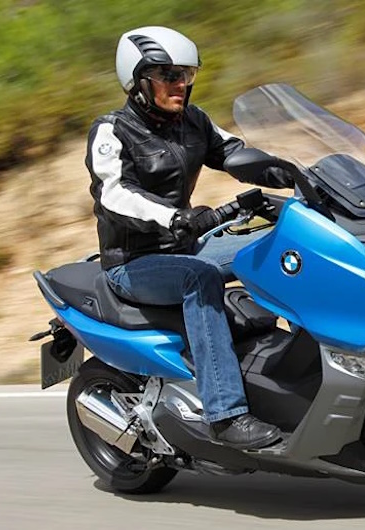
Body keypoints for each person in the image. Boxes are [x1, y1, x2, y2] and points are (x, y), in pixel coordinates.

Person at [85, 26, 293, 449]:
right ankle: (226, 414)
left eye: (186, 74)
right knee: (200, 278)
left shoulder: (193, 121)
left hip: (187, 244)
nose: (181, 84)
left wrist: (294, 174)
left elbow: (236, 153)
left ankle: (300, 370)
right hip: (133, 262)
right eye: (168, 75)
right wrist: (174, 217)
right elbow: (114, 194)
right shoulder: (113, 131)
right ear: (138, 81)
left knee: (283, 244)